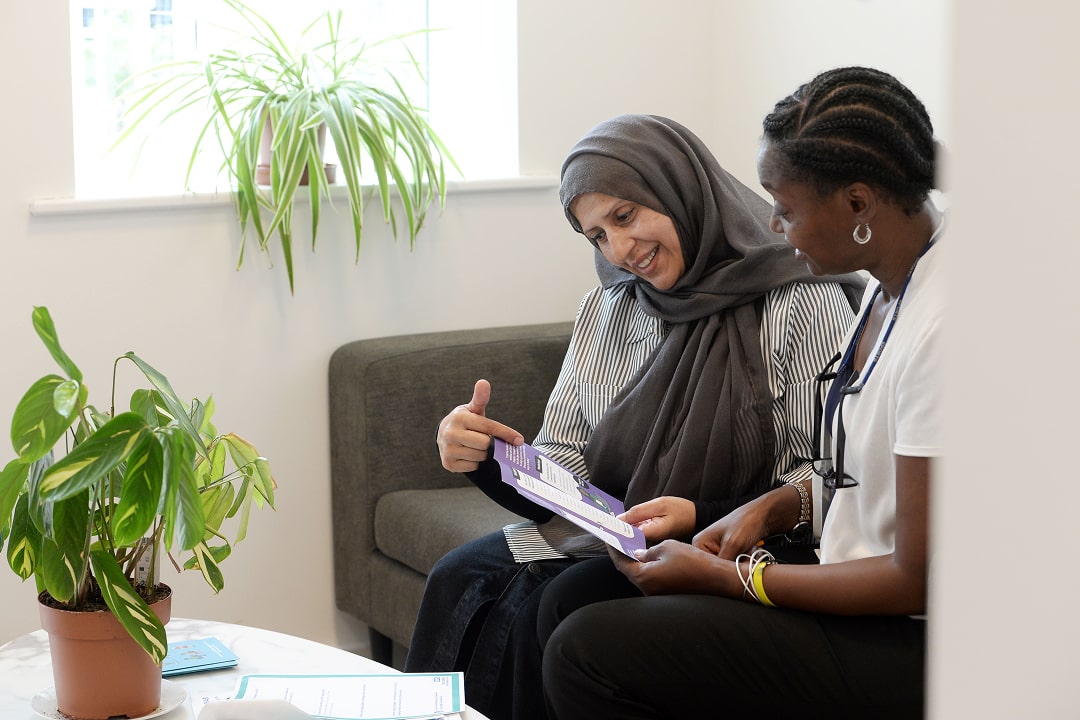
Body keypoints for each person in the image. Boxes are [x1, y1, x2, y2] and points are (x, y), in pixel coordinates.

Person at [404, 113, 863, 720]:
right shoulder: (611, 305)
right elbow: (563, 462)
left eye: (625, 217)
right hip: (614, 532)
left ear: (679, 189)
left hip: (744, 546)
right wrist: (487, 458)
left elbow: (829, 480)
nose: (619, 251)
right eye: (596, 236)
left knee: (553, 600)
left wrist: (702, 513)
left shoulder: (799, 298)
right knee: (461, 576)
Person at [541, 67, 942, 720]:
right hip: (842, 575)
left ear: (858, 204)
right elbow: (851, 481)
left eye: (785, 209)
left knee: (582, 649)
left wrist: (730, 577)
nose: (774, 228)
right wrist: (772, 509)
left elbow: (912, 578)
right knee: (568, 599)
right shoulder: (885, 290)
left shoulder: (939, 325)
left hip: (916, 635)